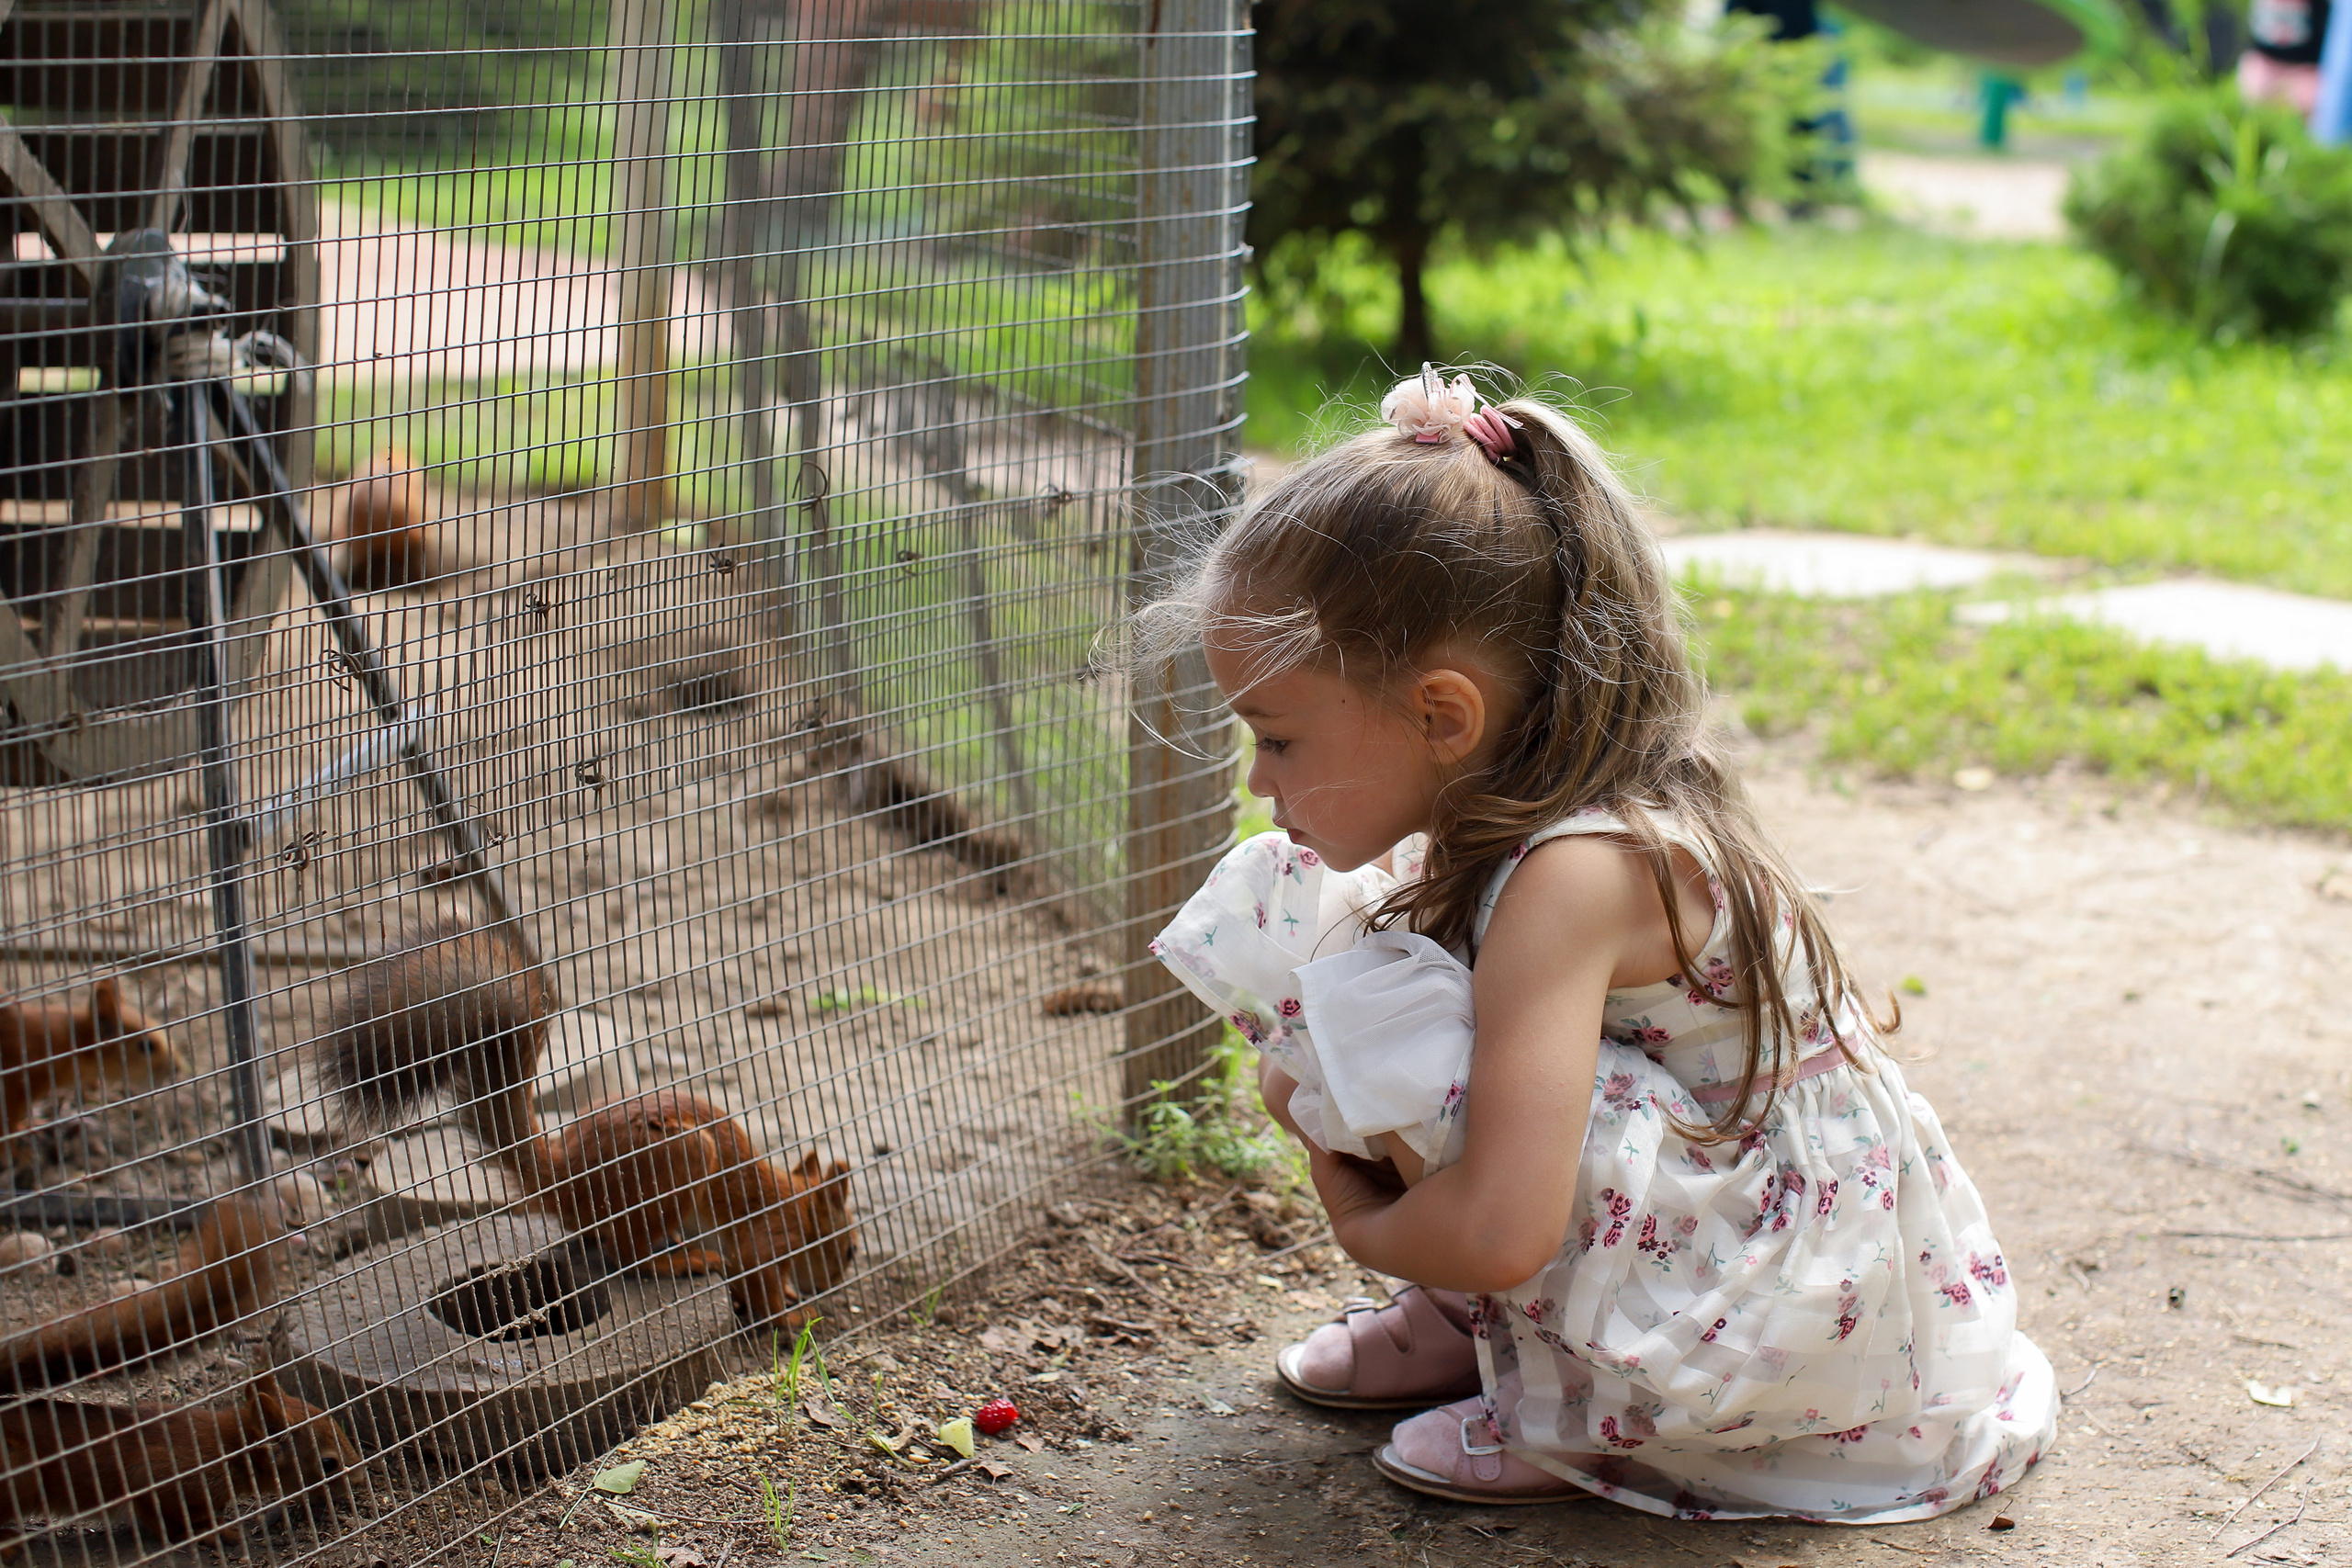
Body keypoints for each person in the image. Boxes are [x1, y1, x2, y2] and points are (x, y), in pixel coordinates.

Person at [1139, 369, 2054, 1521]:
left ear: (1441, 717)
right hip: (1709, 1194)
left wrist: (1369, 1226)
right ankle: (1482, 1330)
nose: (1257, 779)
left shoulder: (1575, 873)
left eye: (1274, 739)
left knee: (1404, 1051)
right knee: (1343, 1018)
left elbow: (1503, 1219)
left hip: (1782, 1289)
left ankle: (1586, 1414)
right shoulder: (1501, 807)